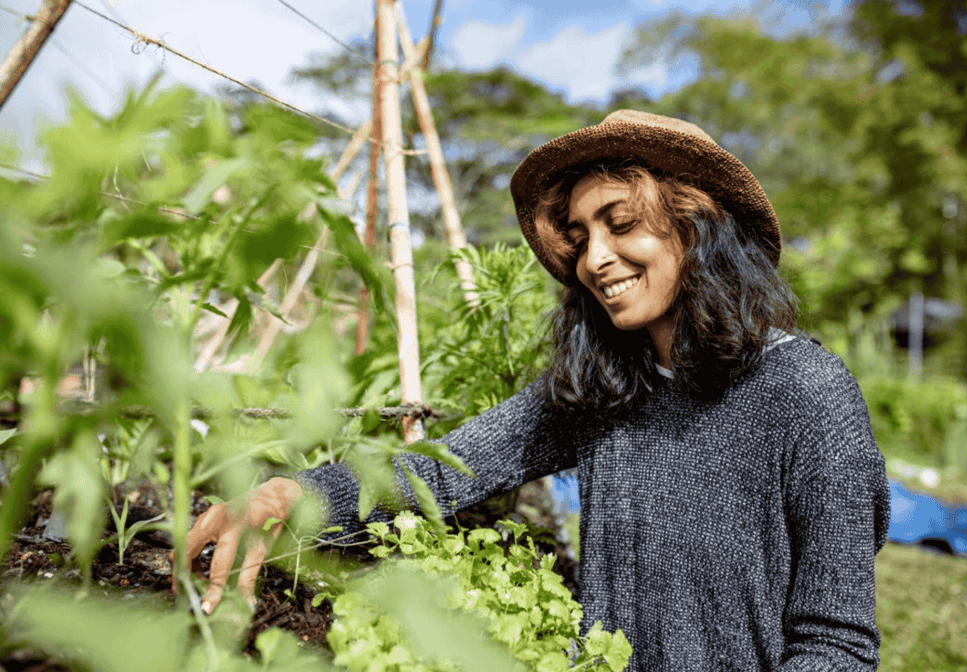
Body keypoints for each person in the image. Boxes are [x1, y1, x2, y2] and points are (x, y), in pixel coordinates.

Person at [185, 110, 891, 671]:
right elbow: (445, 469)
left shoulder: (805, 394)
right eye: (580, 238)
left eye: (621, 224)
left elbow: (836, 644)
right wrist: (292, 496)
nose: (595, 259)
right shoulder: (604, 388)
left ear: (698, 228)